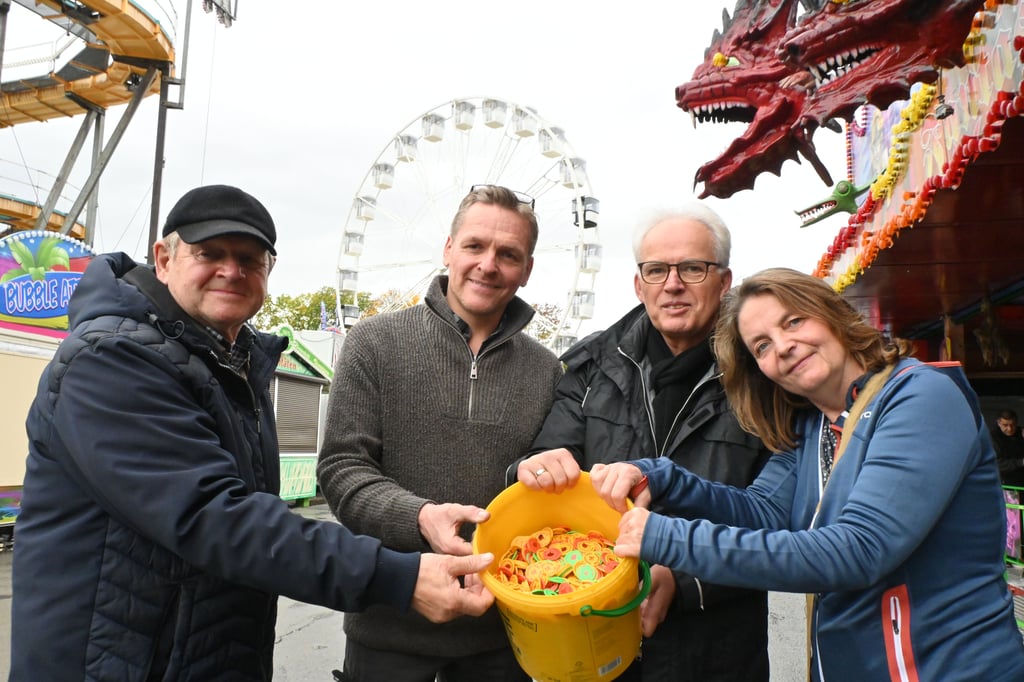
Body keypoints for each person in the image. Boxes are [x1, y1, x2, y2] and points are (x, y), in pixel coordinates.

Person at [10, 185, 496, 681]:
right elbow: (216, 517)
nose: (231, 271)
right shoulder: (110, 361)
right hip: (115, 661)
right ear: (163, 258)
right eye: (209, 254)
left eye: (249, 259)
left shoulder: (232, 363)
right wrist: (397, 575)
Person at [590, 267, 1024, 682]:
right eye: (761, 345)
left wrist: (665, 537)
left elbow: (858, 550)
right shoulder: (814, 425)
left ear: (832, 315)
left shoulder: (919, 397)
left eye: (794, 321)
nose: (782, 346)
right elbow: (762, 512)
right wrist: (660, 476)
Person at [317, 184, 563, 682]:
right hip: (388, 627)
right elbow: (342, 469)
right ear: (449, 248)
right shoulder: (374, 343)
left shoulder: (548, 371)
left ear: (528, 269)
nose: (488, 265)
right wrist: (421, 518)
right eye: (474, 246)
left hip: (503, 638)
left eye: (508, 254)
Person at [518, 203, 771, 681]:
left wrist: (683, 578)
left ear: (724, 281)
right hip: (598, 638)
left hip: (718, 649)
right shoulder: (591, 367)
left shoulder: (765, 376)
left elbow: (778, 518)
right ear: (639, 284)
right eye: (656, 270)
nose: (672, 284)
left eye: (692, 268)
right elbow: (547, 463)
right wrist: (532, 467)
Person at [991, 409, 1024, 488]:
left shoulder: (1021, 432)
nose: (1009, 429)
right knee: (1011, 500)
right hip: (1007, 483)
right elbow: (997, 464)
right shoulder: (992, 438)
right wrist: (1021, 462)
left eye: (1013, 425)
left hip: (1022, 479)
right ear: (999, 423)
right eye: (1005, 425)